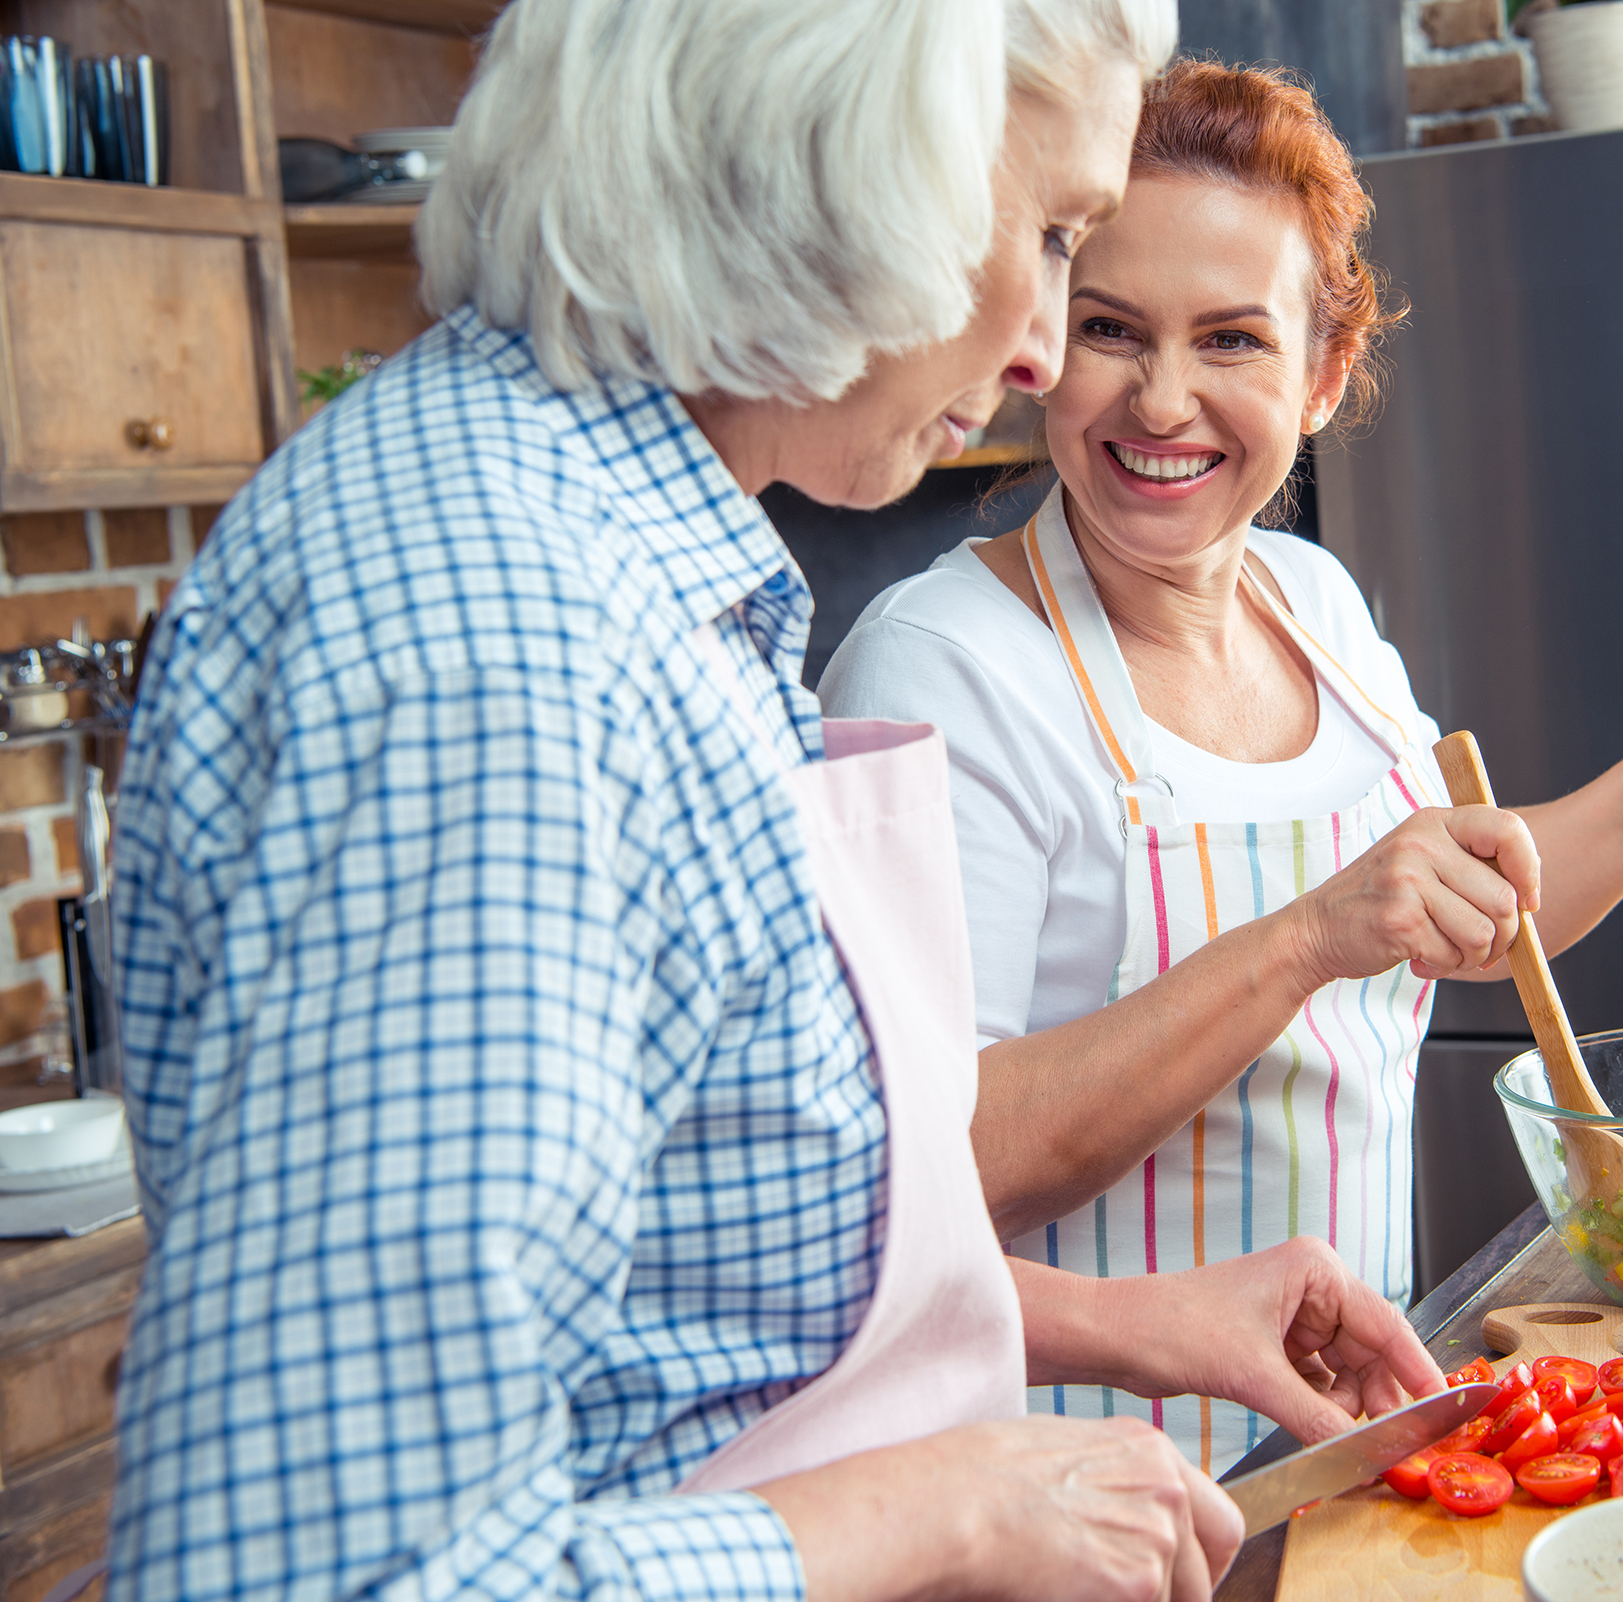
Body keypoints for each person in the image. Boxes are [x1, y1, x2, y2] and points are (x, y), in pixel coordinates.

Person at [100, 9, 1443, 1602]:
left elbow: (676, 1274)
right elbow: (336, 1576)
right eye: (1052, 235)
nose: (1039, 348)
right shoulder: (508, 647)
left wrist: (1124, 1321)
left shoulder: (629, 550)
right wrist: (949, 1506)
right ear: (829, 170)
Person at [819, 59, 1623, 1472]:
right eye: (1112, 327)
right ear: (1043, 339)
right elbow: (934, 1165)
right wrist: (1307, 937)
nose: (1161, 400)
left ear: (1323, 376)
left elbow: (1469, 912)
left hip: (1347, 1444)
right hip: (1081, 1492)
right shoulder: (939, 668)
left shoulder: (1314, 604)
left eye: (1230, 339)